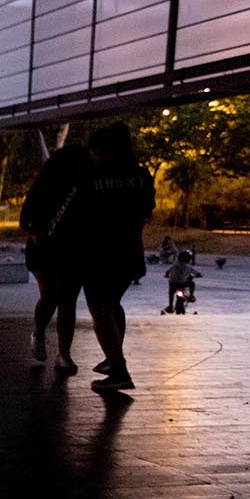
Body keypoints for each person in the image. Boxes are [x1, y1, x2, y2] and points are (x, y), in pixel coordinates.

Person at [67, 121, 155, 392]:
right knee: (113, 305)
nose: (93, 156)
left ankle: (118, 369)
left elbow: (77, 214)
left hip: (97, 255)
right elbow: (145, 212)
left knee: (100, 310)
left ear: (107, 152)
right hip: (129, 254)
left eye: (96, 152)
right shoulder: (142, 177)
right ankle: (113, 357)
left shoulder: (90, 178)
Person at [20, 140, 88, 373]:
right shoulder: (48, 188)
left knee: (65, 299)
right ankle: (42, 336)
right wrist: (37, 234)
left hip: (67, 249)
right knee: (53, 295)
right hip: (46, 248)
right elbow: (26, 220)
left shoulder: (82, 187)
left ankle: (63, 352)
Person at [164, 249, 201, 313]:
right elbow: (197, 273)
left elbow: (167, 271)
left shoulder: (175, 265)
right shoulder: (188, 267)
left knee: (171, 294)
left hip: (172, 283)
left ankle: (170, 306)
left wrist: (167, 275)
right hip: (181, 283)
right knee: (192, 283)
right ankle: (191, 296)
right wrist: (198, 275)